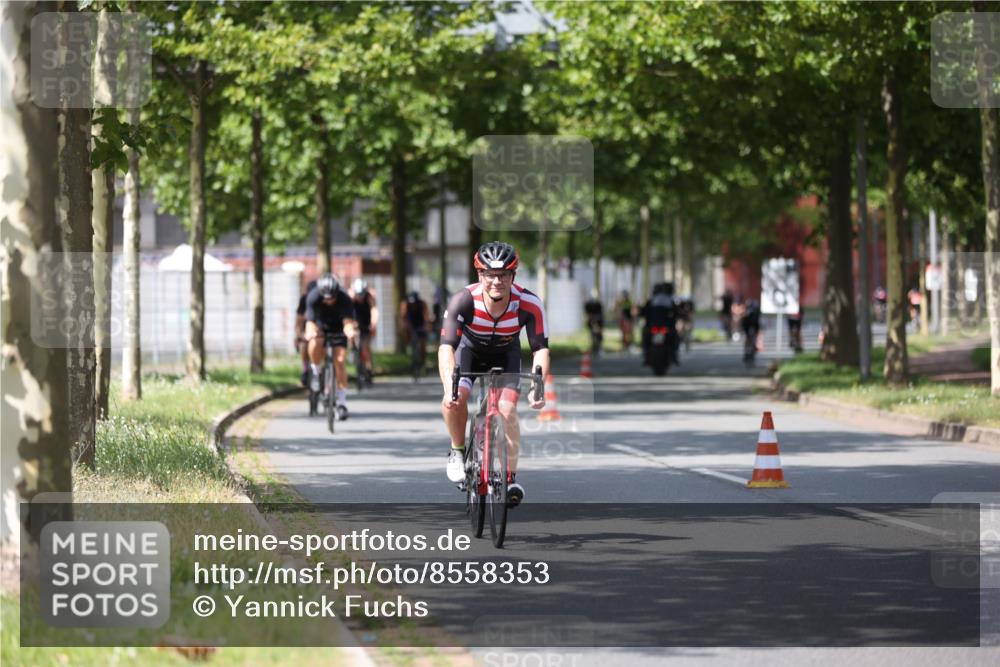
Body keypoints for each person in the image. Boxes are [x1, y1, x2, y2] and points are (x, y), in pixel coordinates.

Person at [439, 241, 549, 507]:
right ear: (480, 275)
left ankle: (509, 477)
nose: (497, 281)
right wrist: (448, 388)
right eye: (490, 274)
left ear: (513, 275)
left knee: (507, 409)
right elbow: (446, 348)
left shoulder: (529, 303)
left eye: (503, 275)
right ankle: (457, 450)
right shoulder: (463, 300)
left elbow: (541, 350)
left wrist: (538, 387)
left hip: (505, 355)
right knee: (456, 398)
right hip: (469, 352)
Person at [304, 273, 357, 420]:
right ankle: (316, 370)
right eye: (326, 298)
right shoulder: (313, 297)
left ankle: (342, 402)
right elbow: (310, 323)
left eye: (332, 297)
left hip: (339, 328)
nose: (329, 301)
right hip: (320, 326)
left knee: (339, 362)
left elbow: (348, 322)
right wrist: (310, 333)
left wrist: (350, 332)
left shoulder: (345, 299)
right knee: (314, 342)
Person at [641, 282, 679, 365]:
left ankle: (646, 355)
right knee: (675, 337)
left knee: (645, 336)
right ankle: (674, 355)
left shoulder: (652, 301)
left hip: (654, 325)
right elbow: (676, 313)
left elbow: (644, 312)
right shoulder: (670, 300)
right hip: (664, 326)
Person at [351, 278, 378, 383]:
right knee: (352, 338)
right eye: (358, 294)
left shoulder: (369, 297)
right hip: (356, 323)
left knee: (365, 346)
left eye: (362, 294)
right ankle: (353, 352)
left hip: (366, 324)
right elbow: (347, 312)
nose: (360, 297)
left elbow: (374, 310)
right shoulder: (351, 298)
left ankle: (369, 369)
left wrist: (373, 324)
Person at [399, 290, 431, 374]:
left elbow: (426, 316)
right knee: (409, 337)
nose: (413, 305)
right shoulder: (405, 304)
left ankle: (423, 362)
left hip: (420, 324)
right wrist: (405, 328)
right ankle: (412, 358)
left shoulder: (422, 304)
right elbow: (403, 317)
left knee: (422, 345)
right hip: (411, 325)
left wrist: (427, 326)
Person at [295, 278, 318, 386]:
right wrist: (299, 335)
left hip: (320, 329)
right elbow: (298, 320)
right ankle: (305, 370)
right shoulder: (303, 300)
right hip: (307, 330)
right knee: (304, 346)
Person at [583, 289, 604, 355]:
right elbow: (587, 314)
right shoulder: (588, 304)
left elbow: (600, 314)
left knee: (598, 335)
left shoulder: (598, 304)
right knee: (592, 335)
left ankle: (598, 347)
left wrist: (598, 323)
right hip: (592, 322)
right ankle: (594, 348)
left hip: (597, 322)